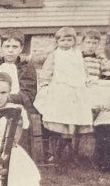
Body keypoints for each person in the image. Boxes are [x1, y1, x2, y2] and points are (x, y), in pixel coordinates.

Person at [34, 27, 93, 156]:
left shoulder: (77, 54)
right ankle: (59, 148)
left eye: (69, 40)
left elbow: (83, 70)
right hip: (60, 89)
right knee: (62, 118)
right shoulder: (55, 55)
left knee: (75, 117)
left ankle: (69, 146)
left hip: (76, 90)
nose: (66, 43)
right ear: (57, 42)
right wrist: (45, 84)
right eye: (63, 40)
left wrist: (86, 80)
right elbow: (46, 72)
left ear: (74, 41)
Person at [0, 34, 37, 110]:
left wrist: (5, 97)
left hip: (18, 107)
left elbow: (28, 96)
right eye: (7, 46)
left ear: (21, 49)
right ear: (1, 48)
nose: (10, 50)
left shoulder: (26, 67)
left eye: (15, 47)